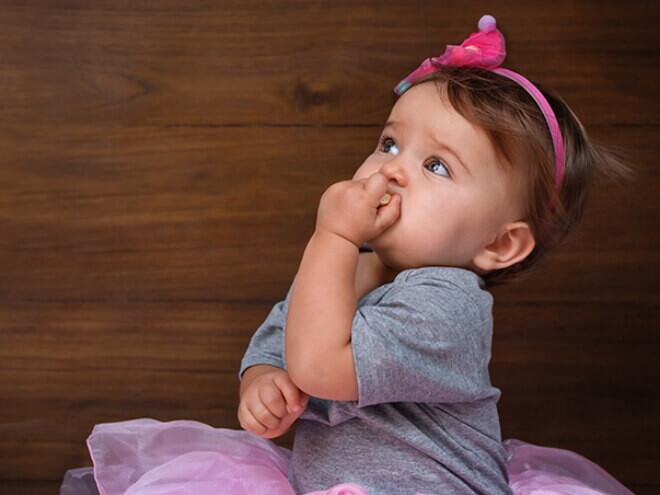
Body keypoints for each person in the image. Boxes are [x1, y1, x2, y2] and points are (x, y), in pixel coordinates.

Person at [68, 14, 633, 495]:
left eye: (436, 166)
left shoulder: (448, 306)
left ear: (498, 244)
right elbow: (283, 337)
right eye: (390, 143)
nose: (390, 168)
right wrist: (261, 381)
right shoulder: (342, 271)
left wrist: (332, 237)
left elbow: (318, 363)